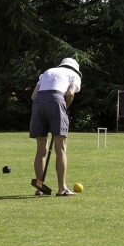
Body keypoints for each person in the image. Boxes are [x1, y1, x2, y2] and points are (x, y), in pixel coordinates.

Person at [30, 57, 82, 196]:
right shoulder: (74, 75)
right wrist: (63, 107)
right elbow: (70, 93)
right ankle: (62, 188)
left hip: (38, 104)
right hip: (57, 101)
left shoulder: (47, 72)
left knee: (41, 148)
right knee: (61, 148)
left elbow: (34, 96)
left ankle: (39, 188)